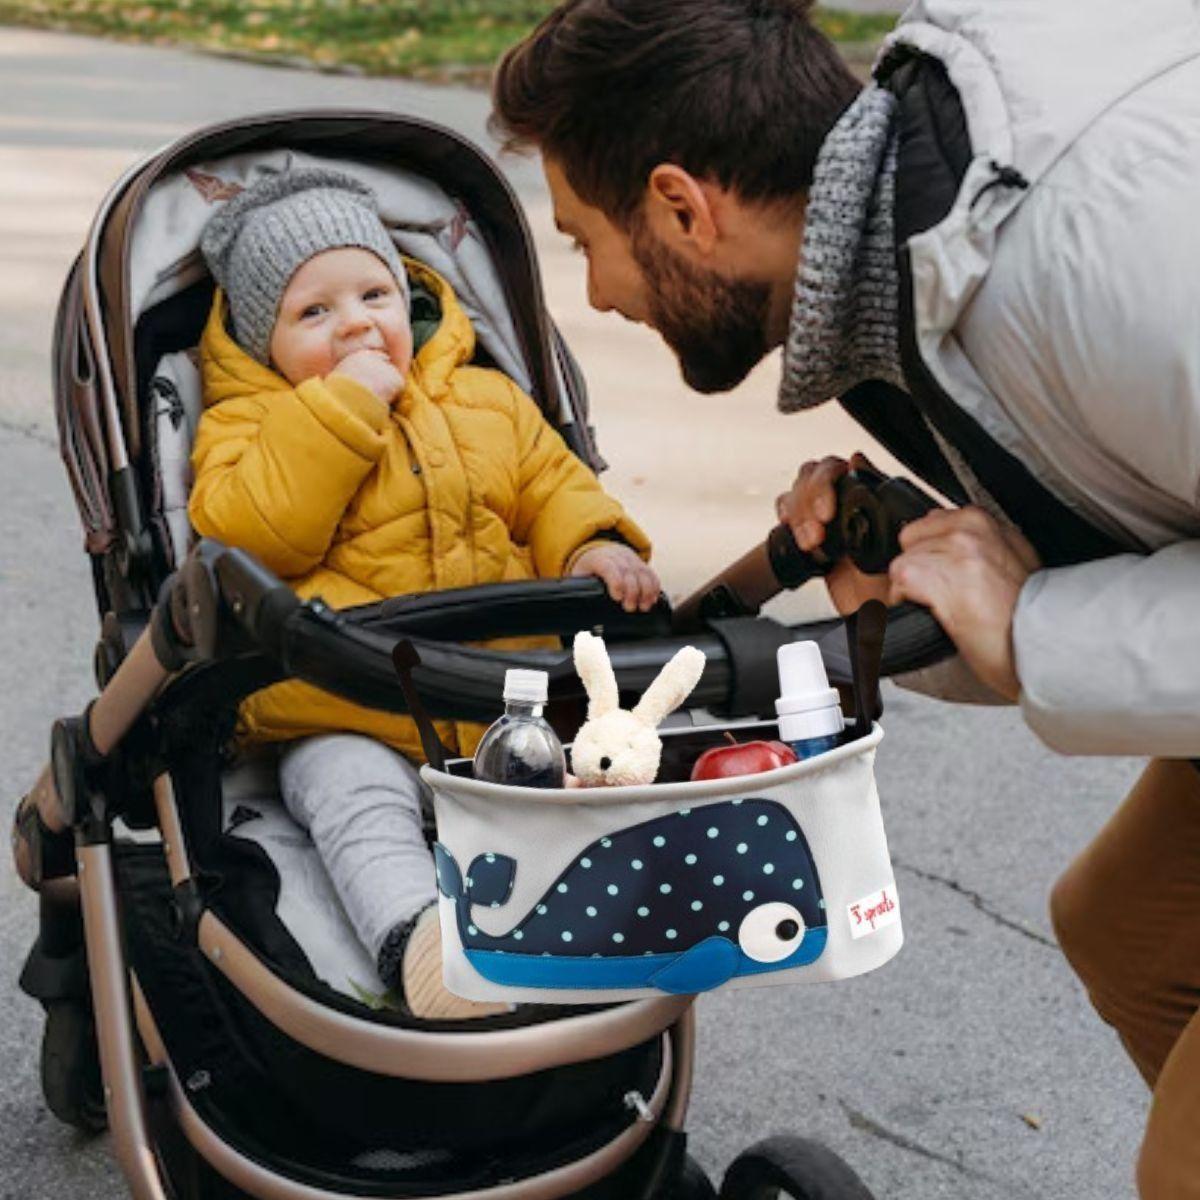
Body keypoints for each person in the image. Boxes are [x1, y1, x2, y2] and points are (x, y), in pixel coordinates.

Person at [489, 0, 1200, 1193]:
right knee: (1133, 937)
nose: (600, 295)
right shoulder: (909, 250)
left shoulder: (1079, 257)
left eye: (582, 243)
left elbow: (1053, 622)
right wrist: (907, 594)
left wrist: (1039, 630)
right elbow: (1117, 531)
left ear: (681, 206)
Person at [188, 167, 660, 1018]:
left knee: (565, 780)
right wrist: (339, 411)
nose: (357, 324)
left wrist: (592, 545)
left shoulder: (488, 401)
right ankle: (418, 944)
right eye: (314, 312)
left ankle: (583, 923)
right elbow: (256, 530)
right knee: (351, 801)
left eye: (375, 292)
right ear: (264, 342)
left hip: (493, 703)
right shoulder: (248, 426)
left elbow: (552, 485)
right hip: (340, 706)